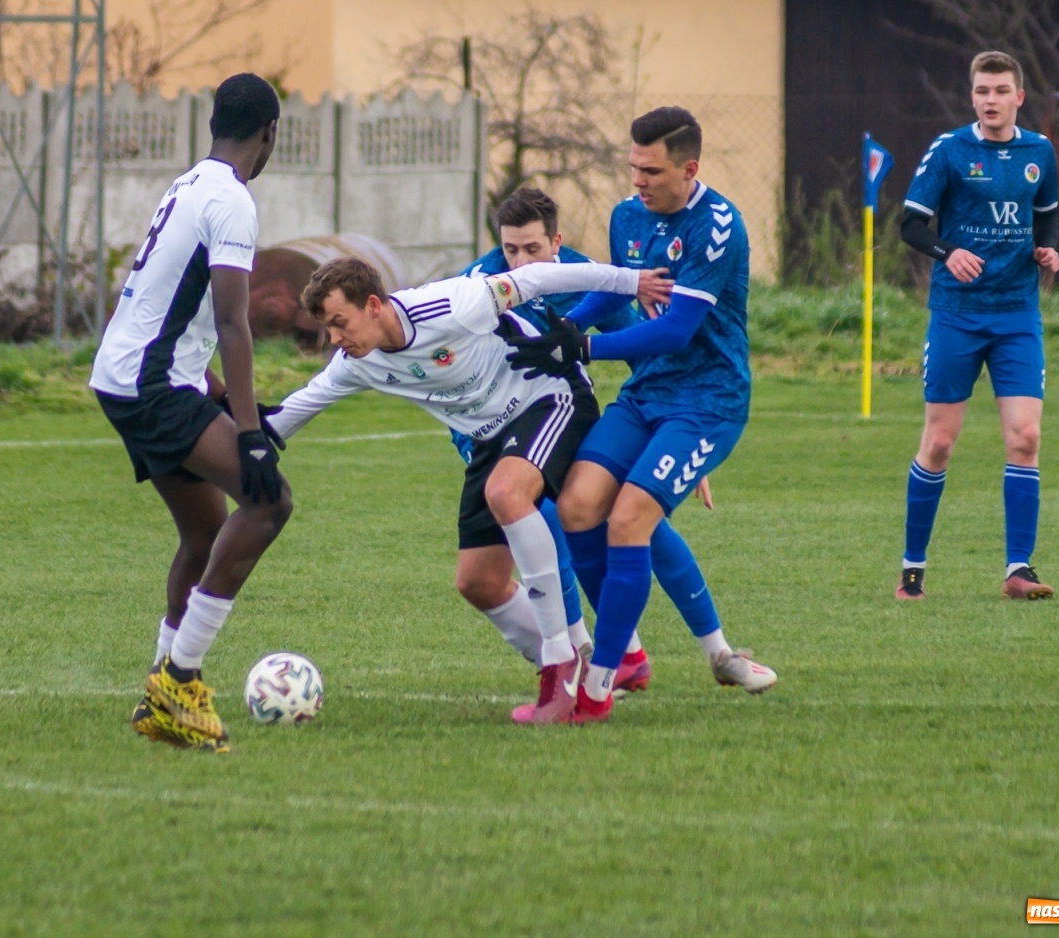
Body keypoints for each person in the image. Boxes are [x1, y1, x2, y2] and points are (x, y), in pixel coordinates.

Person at [264, 255, 670, 724]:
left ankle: (562, 664)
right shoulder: (356, 363)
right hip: (491, 437)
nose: (334, 338)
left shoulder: (452, 304)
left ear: (373, 305)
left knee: (507, 493)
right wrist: (233, 445)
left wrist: (631, 280)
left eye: (340, 323)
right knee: (478, 582)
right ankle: (564, 666)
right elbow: (292, 411)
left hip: (547, 396)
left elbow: (534, 279)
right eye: (327, 328)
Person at [509, 106, 777, 724]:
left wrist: (584, 346)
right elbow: (619, 287)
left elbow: (679, 330)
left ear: (689, 169)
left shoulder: (717, 225)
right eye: (632, 167)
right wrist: (566, 326)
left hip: (707, 400)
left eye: (652, 171)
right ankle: (626, 657)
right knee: (577, 508)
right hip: (646, 395)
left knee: (629, 519)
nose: (639, 181)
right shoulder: (628, 215)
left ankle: (597, 688)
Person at [89, 73, 292, 754]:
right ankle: (180, 681)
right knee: (268, 502)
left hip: (129, 376)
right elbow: (234, 322)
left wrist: (219, 395)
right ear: (269, 133)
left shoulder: (187, 184)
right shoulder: (232, 201)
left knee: (205, 535)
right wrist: (249, 431)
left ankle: (160, 690)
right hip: (150, 385)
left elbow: (165, 303)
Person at [457, 187, 714, 696]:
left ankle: (709, 648)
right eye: (511, 249)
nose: (521, 262)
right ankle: (591, 652)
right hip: (499, 429)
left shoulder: (590, 276)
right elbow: (457, 371)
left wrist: (679, 430)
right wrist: (471, 444)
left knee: (639, 523)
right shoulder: (481, 284)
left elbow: (644, 350)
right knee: (546, 521)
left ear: (557, 242)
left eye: (533, 249)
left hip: (567, 414)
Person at [895, 51, 1059, 601]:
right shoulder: (949, 151)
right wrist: (948, 252)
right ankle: (912, 570)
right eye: (982, 91)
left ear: (1019, 97)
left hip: (1016, 314)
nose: (990, 100)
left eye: (1000, 90)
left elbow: (1045, 213)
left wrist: (1047, 249)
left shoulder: (1039, 152)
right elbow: (911, 226)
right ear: (972, 97)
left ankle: (1019, 570)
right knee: (940, 442)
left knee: (1027, 436)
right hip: (958, 315)